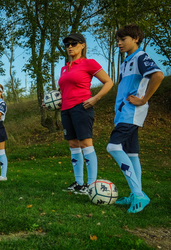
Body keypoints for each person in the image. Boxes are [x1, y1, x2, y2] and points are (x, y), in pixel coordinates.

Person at [107, 24, 164, 213]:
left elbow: (158, 75)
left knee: (113, 147)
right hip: (123, 113)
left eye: (123, 39)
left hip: (131, 113)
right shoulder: (125, 62)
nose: (119, 43)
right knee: (132, 154)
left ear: (136, 39)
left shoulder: (141, 57)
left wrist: (143, 99)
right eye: (118, 40)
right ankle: (136, 193)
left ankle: (138, 193)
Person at [58, 32, 113, 194]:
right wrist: (52, 103)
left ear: (82, 45)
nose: (69, 47)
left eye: (73, 44)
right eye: (67, 44)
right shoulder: (63, 68)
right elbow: (64, 91)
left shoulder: (89, 63)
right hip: (66, 110)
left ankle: (92, 184)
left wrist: (95, 98)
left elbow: (108, 82)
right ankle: (79, 182)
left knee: (86, 144)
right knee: (73, 145)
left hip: (82, 108)